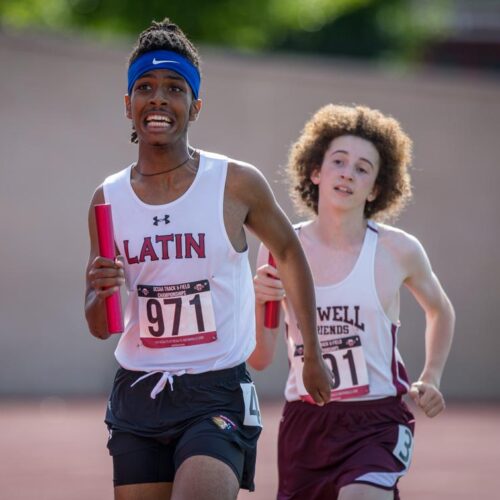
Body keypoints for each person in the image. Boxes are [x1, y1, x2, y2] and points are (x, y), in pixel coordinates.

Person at [84, 18, 332, 500]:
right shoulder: (106, 199)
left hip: (215, 392)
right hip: (139, 394)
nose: (158, 99)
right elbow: (99, 323)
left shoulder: (235, 183)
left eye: (174, 88)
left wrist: (312, 354)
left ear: (194, 105)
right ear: (127, 104)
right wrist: (99, 290)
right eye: (145, 88)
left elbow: (289, 252)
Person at [250, 104, 455, 500]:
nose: (347, 173)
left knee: (361, 495)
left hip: (376, 419)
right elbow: (260, 358)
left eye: (363, 168)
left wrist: (431, 376)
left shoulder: (398, 250)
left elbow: (440, 309)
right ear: (315, 171)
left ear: (376, 188)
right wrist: (260, 302)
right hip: (306, 423)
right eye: (338, 161)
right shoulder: (279, 249)